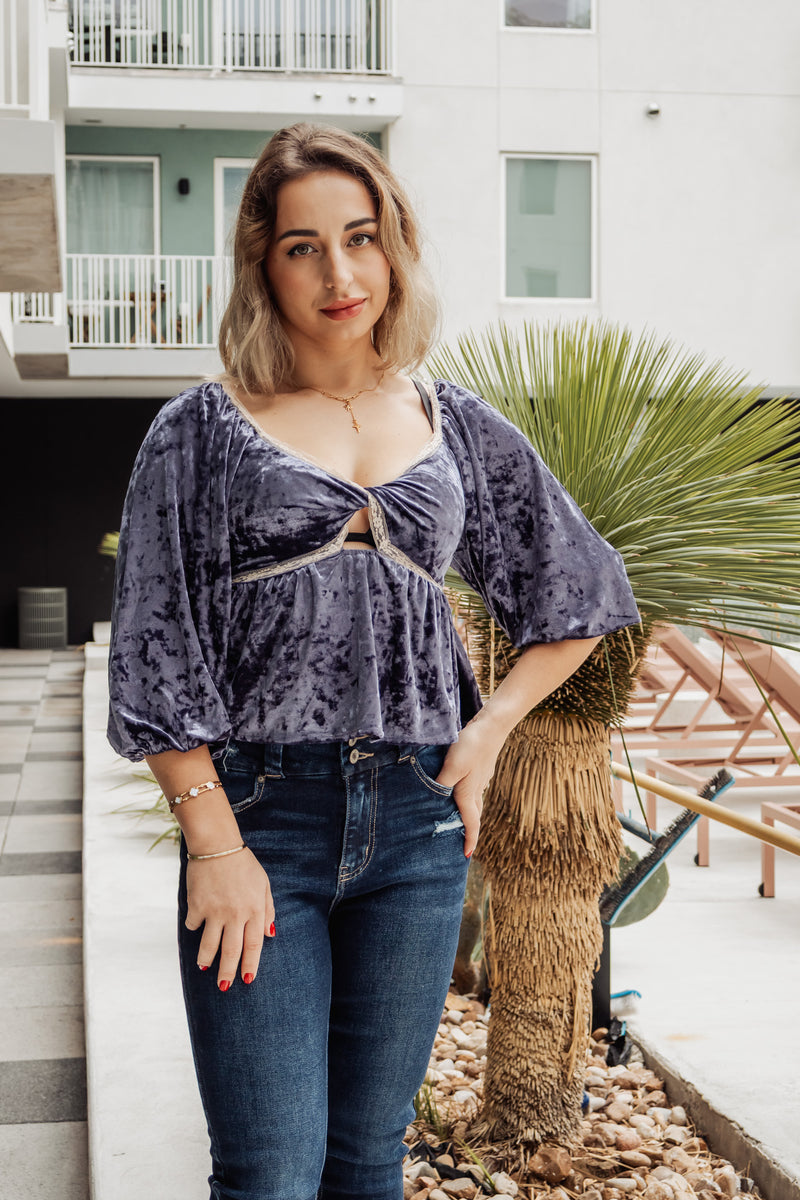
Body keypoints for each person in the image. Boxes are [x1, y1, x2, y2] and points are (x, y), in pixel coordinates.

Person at [107, 123, 640, 1200]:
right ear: (263, 260)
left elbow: (579, 593)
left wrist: (486, 729)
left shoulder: (454, 425)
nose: (339, 273)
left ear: (394, 247)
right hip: (259, 819)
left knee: (365, 1164)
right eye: (303, 245)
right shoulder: (199, 431)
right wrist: (213, 841)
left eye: (361, 237)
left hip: (415, 826)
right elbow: (154, 648)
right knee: (266, 1172)